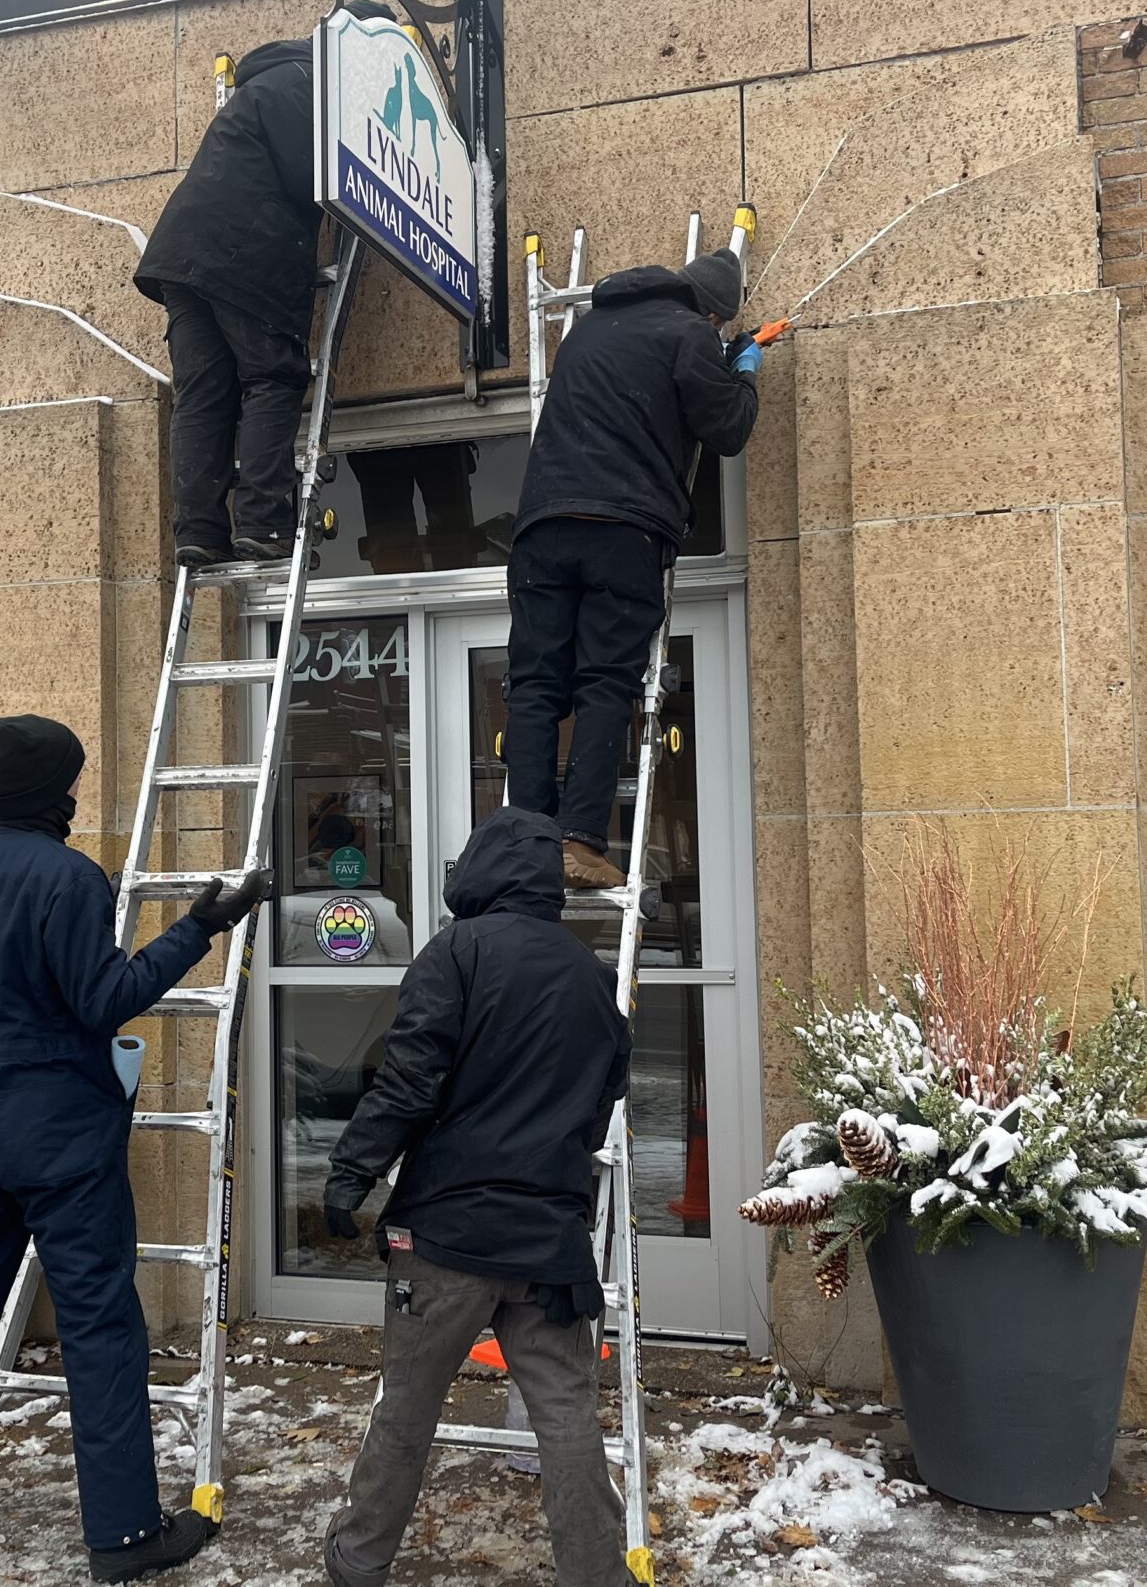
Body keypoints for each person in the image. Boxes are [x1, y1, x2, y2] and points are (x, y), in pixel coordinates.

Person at [0, 714, 268, 1579]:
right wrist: (198, 925)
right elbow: (104, 1000)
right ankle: (123, 1534)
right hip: (60, 1136)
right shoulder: (70, 877)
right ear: (58, 793)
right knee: (97, 1326)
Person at [320, 808, 634, 1587]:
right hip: (548, 1243)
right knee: (566, 1416)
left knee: (407, 1407)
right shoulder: (596, 980)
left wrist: (350, 1175)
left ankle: (358, 1560)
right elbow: (601, 1105)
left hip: (445, 1237)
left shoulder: (454, 952)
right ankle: (599, 1573)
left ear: (483, 870)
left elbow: (408, 1080)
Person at [504, 246, 762, 890]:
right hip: (621, 530)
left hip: (541, 526)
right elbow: (727, 428)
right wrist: (744, 371)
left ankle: (527, 837)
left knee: (535, 685)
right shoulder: (690, 334)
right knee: (605, 682)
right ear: (714, 313)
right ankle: (578, 842)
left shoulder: (588, 328)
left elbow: (632, 397)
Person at [136, 0, 399, 569]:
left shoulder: (277, 77)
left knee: (204, 395)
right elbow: (320, 175)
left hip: (183, 253)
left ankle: (200, 532)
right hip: (245, 250)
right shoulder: (318, 86)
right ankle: (263, 522)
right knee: (272, 375)